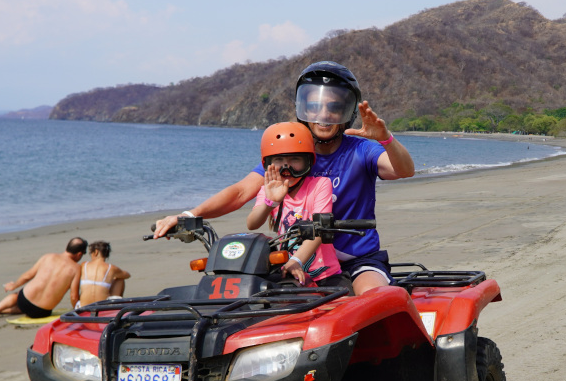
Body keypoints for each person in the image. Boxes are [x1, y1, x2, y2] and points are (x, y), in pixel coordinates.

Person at [152, 61, 415, 294]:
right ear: (303, 108)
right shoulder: (293, 154)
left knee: (372, 297)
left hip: (357, 259)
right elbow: (241, 192)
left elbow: (403, 170)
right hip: (297, 260)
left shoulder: (360, 149)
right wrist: (189, 214)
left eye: (334, 107)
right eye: (314, 106)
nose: (324, 114)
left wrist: (385, 139)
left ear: (347, 111)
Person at [245, 122, 349, 289]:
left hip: (325, 274)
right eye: (279, 160)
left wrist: (296, 260)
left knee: (343, 301)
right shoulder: (268, 189)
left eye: (295, 159)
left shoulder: (320, 184)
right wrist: (271, 202)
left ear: (308, 161)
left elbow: (320, 229)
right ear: (268, 163)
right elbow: (252, 223)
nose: (287, 167)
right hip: (288, 272)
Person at [0, 237, 86, 320]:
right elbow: (73, 296)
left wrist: (14, 285)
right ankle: (0, 311)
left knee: (15, 297)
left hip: (24, 301)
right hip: (42, 312)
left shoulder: (48, 257)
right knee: (26, 309)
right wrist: (78, 311)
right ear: (79, 254)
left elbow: (28, 276)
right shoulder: (76, 269)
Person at [70, 240, 131, 308]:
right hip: (103, 308)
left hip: (83, 307)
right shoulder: (111, 268)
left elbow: (73, 297)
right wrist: (113, 277)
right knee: (120, 279)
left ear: (96, 252)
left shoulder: (84, 265)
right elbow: (127, 275)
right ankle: (116, 307)